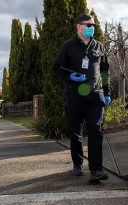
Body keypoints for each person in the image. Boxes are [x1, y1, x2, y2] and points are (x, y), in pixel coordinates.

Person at [54, 13, 111, 181]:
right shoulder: (68, 46)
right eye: (88, 25)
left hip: (95, 96)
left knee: (96, 131)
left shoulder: (98, 46)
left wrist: (106, 93)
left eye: (93, 25)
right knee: (76, 133)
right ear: (78, 26)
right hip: (75, 96)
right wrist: (69, 77)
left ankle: (96, 170)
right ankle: (77, 165)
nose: (91, 28)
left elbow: (105, 71)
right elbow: (58, 67)